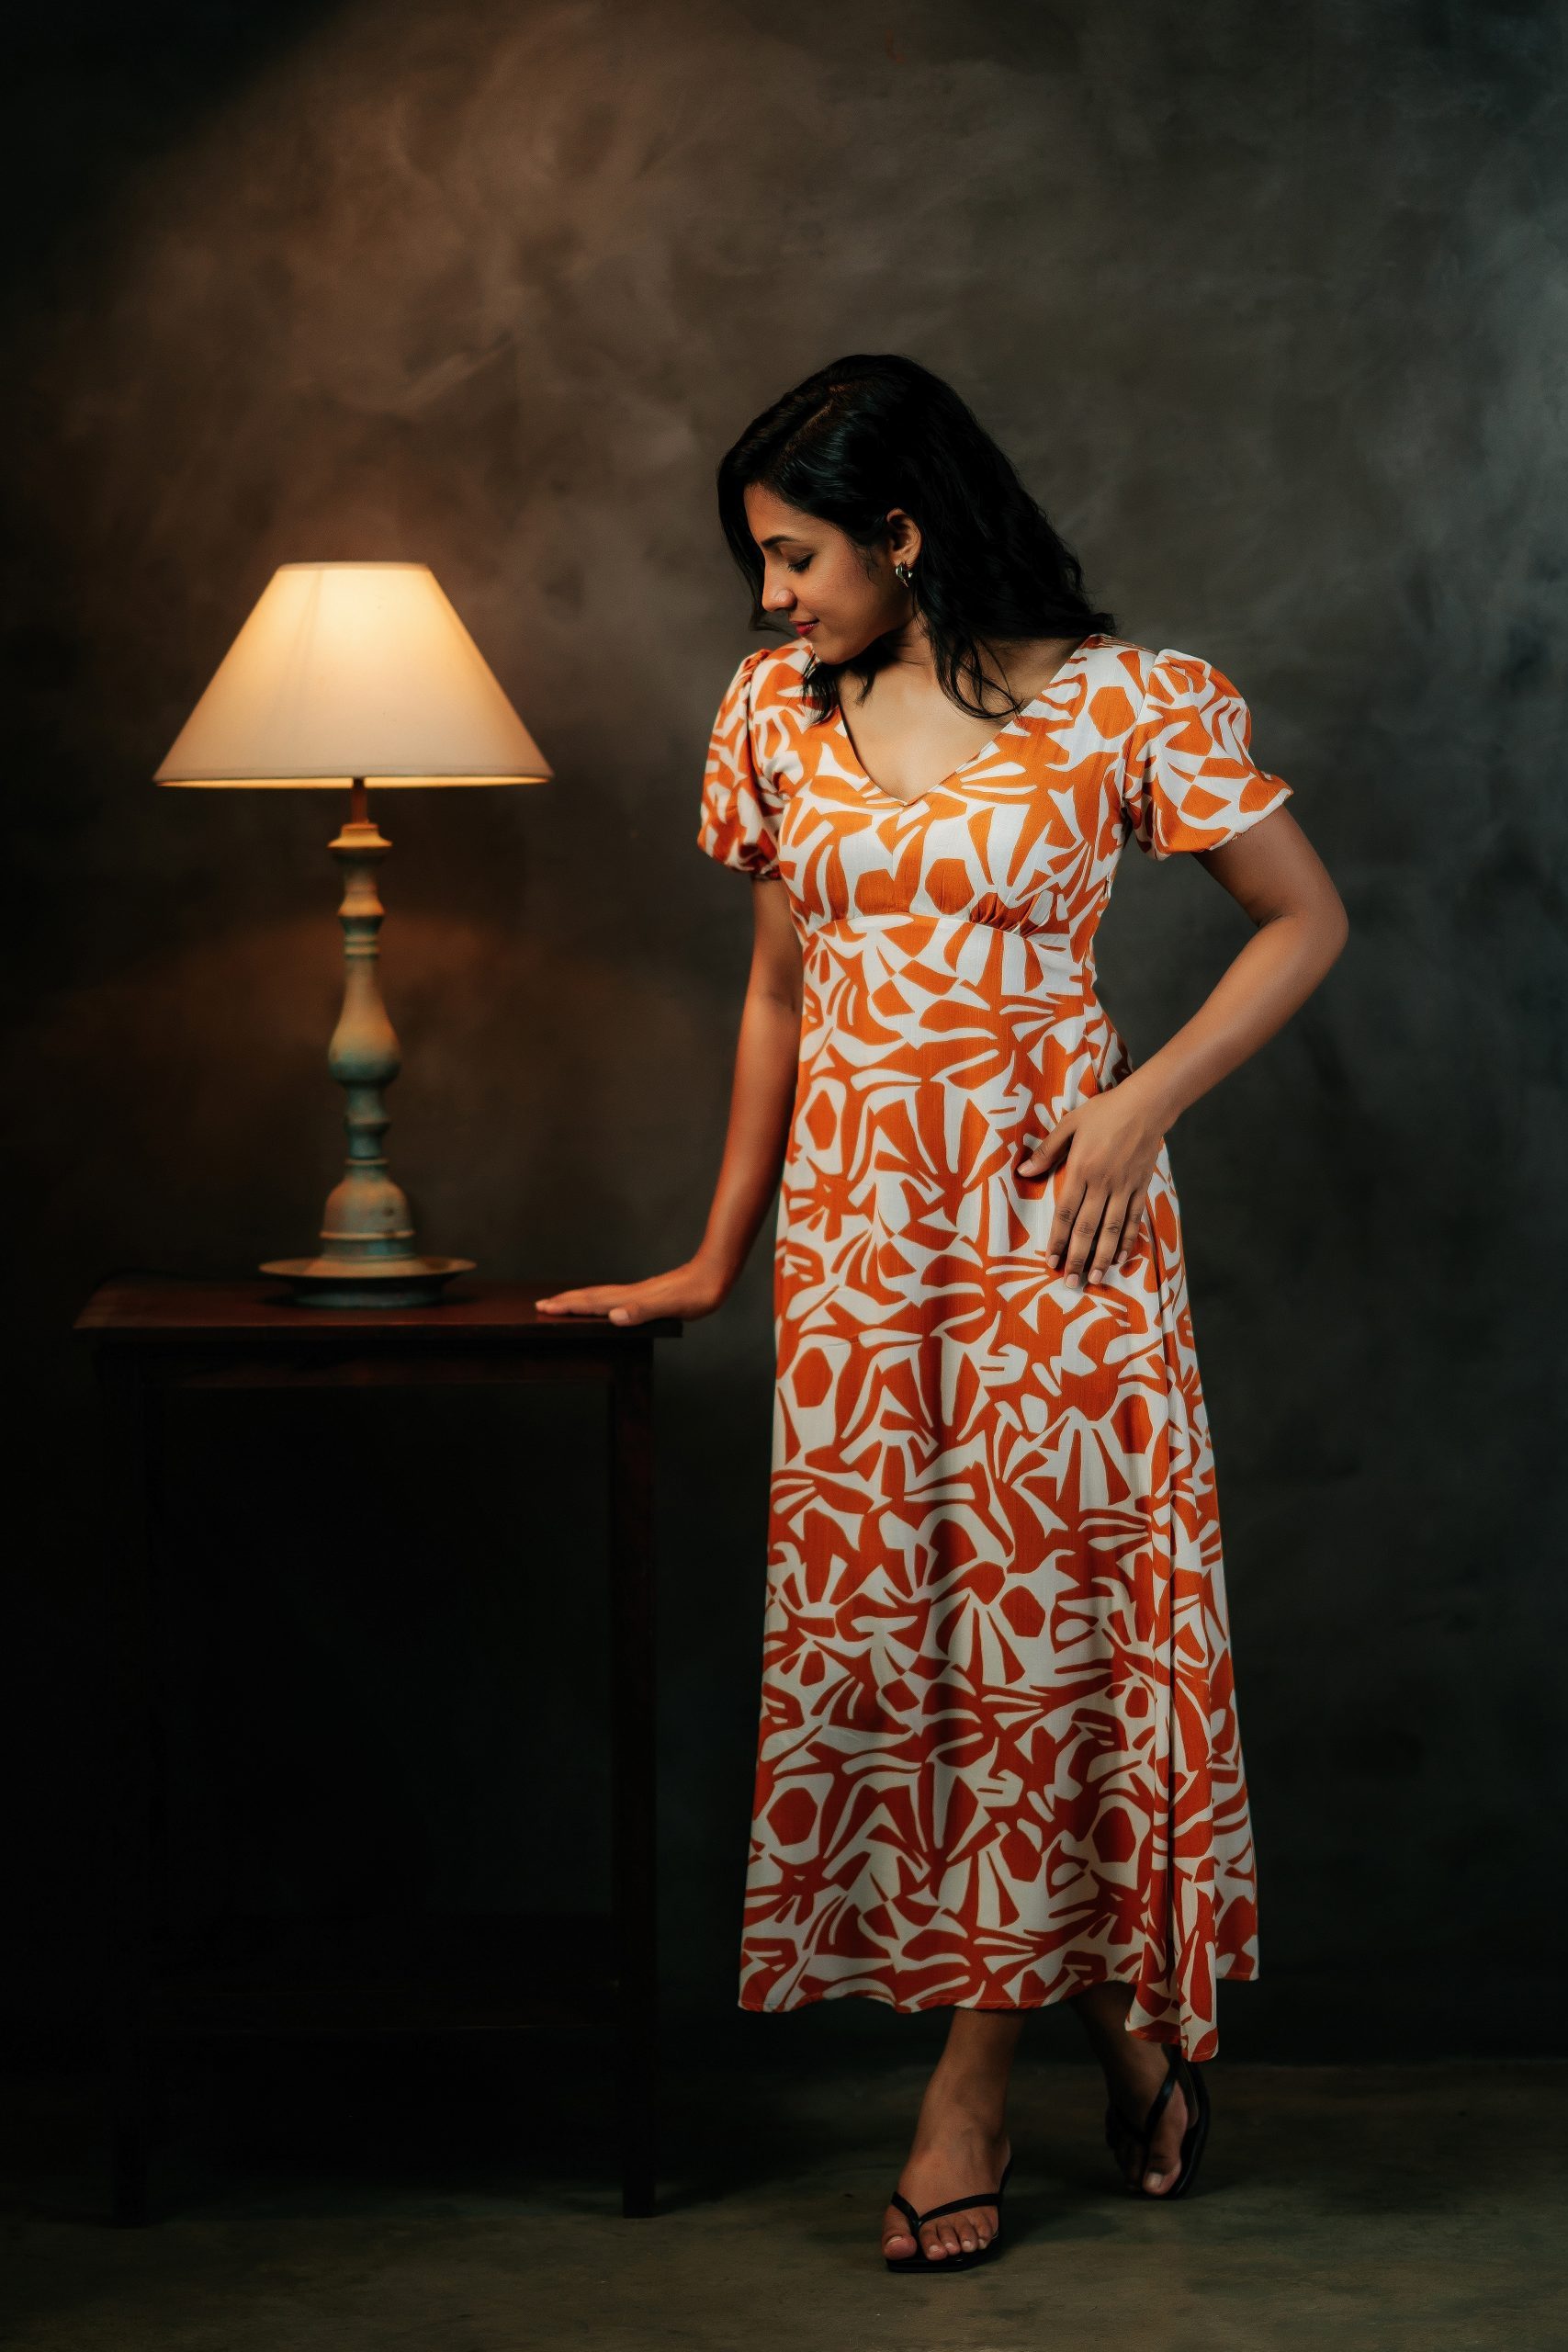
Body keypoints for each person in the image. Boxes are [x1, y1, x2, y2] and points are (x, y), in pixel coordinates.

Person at [537, 354, 1348, 2270]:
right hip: (857, 1257)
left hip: (1056, 1243)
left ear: (900, 531)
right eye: (760, 561)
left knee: (1040, 1638)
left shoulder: (1128, 702)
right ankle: (1108, 2010)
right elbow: (777, 996)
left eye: (794, 554)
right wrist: (715, 1256)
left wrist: (1140, 1104)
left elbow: (1302, 914)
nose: (770, 595)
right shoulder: (775, 713)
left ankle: (963, 2090)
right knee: (904, 1650)